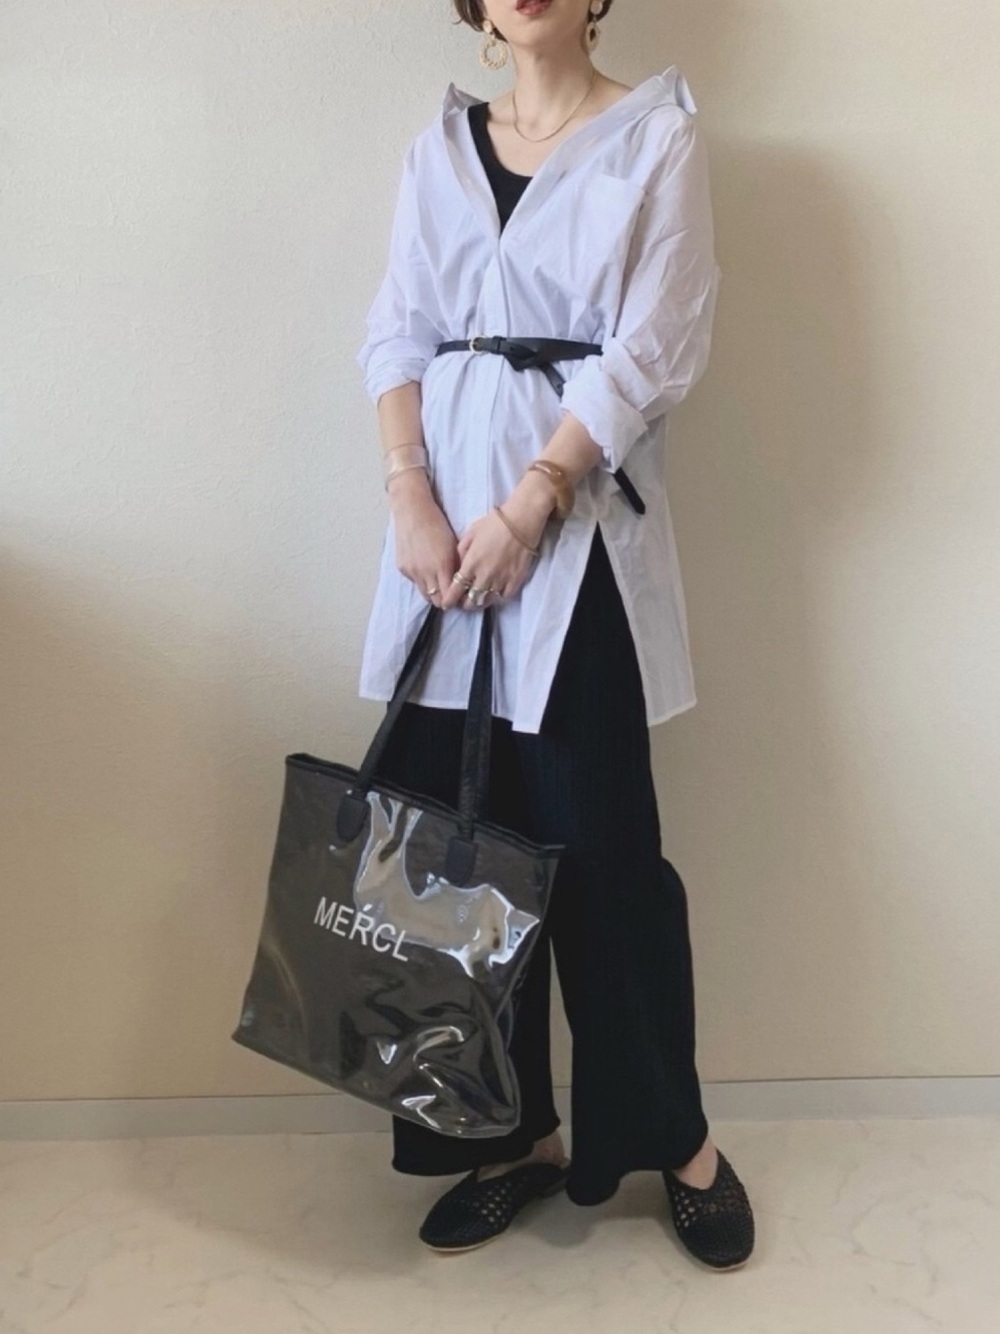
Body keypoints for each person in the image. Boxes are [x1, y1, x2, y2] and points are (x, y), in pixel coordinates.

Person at [354, 0, 755, 1270]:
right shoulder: (438, 149)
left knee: (605, 856)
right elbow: (397, 328)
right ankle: (508, 1134)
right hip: (439, 554)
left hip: (574, 541)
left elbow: (653, 345)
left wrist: (534, 499)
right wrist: (411, 499)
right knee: (456, 855)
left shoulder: (656, 137)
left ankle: (677, 1138)